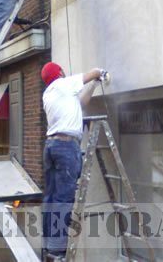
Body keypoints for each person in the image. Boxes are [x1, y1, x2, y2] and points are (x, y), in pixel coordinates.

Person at [41, 62, 106, 259]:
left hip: (51, 146)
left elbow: (80, 103)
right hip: (65, 146)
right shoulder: (63, 84)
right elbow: (90, 73)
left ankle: (50, 243)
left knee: (51, 197)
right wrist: (100, 72)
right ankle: (59, 247)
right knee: (64, 198)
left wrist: (94, 85)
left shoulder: (50, 93)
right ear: (59, 73)